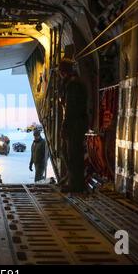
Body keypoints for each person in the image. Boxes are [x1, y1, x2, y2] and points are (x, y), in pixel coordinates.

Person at [58, 59, 88, 193]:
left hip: (74, 124)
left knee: (72, 154)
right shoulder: (75, 83)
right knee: (72, 153)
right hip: (77, 123)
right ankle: (74, 181)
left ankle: (75, 184)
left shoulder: (72, 85)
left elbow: (70, 108)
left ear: (62, 71)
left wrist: (64, 126)